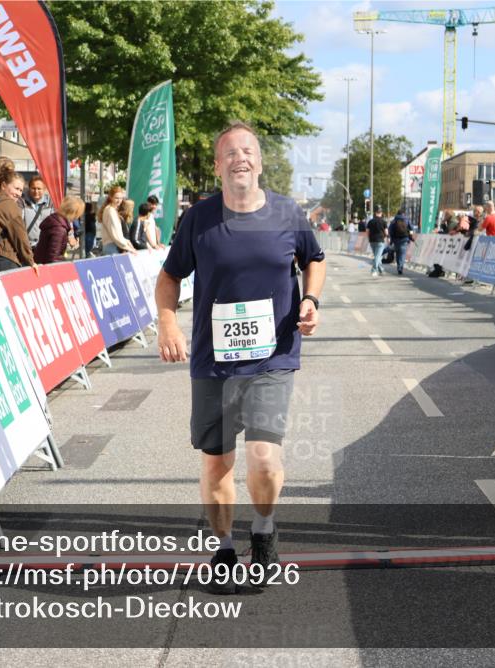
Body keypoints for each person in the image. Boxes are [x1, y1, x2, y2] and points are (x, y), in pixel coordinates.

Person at [155, 122, 326, 594]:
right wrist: (168, 323)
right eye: (230, 153)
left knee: (265, 459)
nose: (240, 159)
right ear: (217, 166)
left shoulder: (289, 214)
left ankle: (265, 533)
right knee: (218, 464)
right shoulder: (200, 220)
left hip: (274, 356)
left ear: (260, 161)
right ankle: (224, 548)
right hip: (215, 364)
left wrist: (311, 300)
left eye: (248, 151)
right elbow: (169, 278)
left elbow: (315, 259)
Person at [0, 167, 39, 282]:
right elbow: (20, 236)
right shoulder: (8, 205)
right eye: (16, 189)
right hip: (4, 259)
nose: (19, 194)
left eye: (21, 190)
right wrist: (31, 261)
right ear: (4, 185)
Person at [34, 196, 84, 265]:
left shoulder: (55, 221)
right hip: (46, 267)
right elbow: (53, 257)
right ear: (74, 213)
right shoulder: (59, 229)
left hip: (41, 262)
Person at [98, 186, 136, 255]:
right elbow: (115, 233)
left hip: (113, 246)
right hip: (113, 247)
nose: (119, 201)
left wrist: (126, 242)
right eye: (116, 198)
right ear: (111, 197)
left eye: (121, 198)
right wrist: (127, 247)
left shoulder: (111, 209)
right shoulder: (110, 210)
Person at [22, 176, 54, 249]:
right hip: (27, 246)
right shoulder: (22, 201)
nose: (36, 191)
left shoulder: (51, 203)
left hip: (45, 245)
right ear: (29, 188)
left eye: (39, 188)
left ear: (44, 189)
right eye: (33, 188)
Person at [387, 208, 412, 275]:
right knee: (402, 254)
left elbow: (390, 231)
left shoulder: (394, 221)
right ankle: (401, 267)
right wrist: (411, 237)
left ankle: (399, 267)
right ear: (403, 213)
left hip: (396, 240)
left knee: (398, 254)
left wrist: (391, 240)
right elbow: (411, 229)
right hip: (404, 239)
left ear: (397, 213)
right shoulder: (407, 220)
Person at [367, 205, 388, 277]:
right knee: (377, 256)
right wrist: (385, 237)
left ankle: (381, 270)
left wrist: (369, 238)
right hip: (380, 241)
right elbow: (386, 232)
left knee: (377, 256)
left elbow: (367, 231)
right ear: (381, 213)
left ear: (375, 212)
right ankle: (374, 270)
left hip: (372, 241)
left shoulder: (370, 222)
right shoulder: (383, 222)